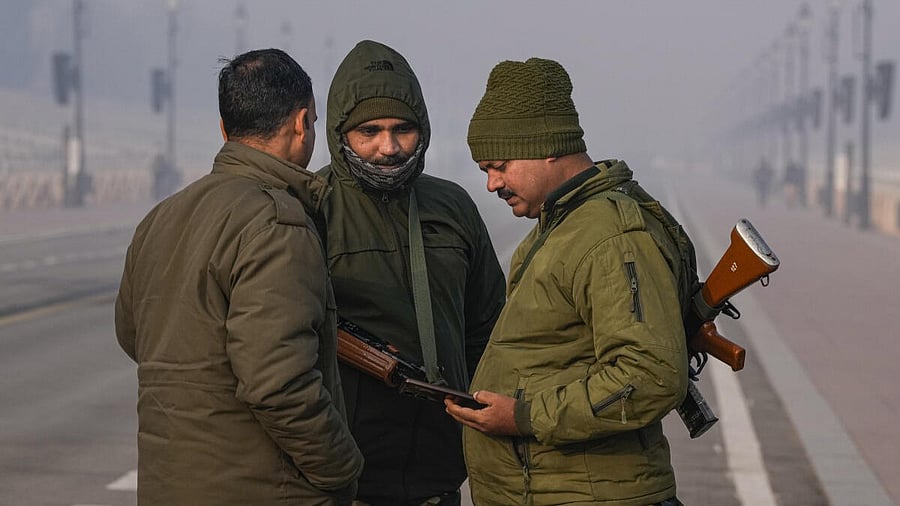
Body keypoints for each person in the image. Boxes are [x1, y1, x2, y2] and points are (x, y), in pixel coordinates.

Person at [114, 48, 363, 505]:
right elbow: (277, 383)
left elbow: (134, 336)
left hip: (167, 486)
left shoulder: (160, 218)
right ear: (301, 123)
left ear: (225, 130)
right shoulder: (275, 223)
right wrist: (342, 465)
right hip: (264, 489)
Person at [446, 57, 689, 506]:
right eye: (483, 170)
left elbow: (651, 375)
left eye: (498, 165)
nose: (491, 184)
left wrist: (523, 417)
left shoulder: (607, 236)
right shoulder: (563, 224)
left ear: (548, 146)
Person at [317, 40, 506, 506]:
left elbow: (490, 329)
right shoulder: (310, 207)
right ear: (342, 133)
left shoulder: (453, 206)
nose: (389, 147)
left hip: (439, 476)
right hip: (342, 480)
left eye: (404, 129)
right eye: (370, 131)